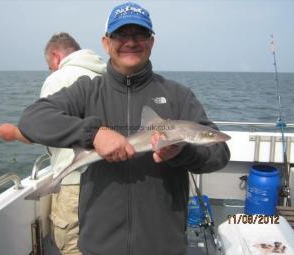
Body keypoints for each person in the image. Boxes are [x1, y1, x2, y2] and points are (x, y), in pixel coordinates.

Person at [17, 2, 230, 255]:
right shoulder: (88, 91)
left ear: (151, 42)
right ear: (106, 42)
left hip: (163, 245)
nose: (130, 42)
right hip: (99, 244)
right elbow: (32, 119)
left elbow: (219, 151)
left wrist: (182, 153)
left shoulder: (178, 96)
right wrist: (93, 133)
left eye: (139, 34)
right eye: (121, 34)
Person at [0, 32, 106, 255]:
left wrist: (14, 133)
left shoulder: (59, 78)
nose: (51, 70)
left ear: (56, 56)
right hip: (110, 180)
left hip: (74, 179)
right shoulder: (105, 77)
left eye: (49, 66)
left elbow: (42, 130)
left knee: (73, 245)